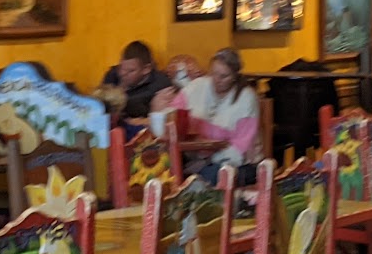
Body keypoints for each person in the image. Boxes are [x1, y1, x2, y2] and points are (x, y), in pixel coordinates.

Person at [178, 48, 262, 181]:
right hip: (197, 159)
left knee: (203, 178)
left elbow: (241, 147)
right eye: (214, 74)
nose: (217, 80)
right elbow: (173, 114)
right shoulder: (196, 87)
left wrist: (208, 161)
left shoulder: (246, 98)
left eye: (224, 76)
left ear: (234, 77)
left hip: (237, 163)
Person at [99, 41, 172, 120]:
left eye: (131, 71)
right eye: (121, 68)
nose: (123, 73)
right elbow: (99, 106)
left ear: (146, 69)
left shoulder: (161, 85)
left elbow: (164, 120)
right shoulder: (112, 74)